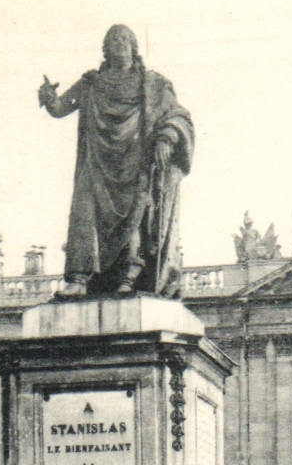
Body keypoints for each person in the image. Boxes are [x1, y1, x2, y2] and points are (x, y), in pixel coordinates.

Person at [39, 24, 194, 299]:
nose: (119, 43)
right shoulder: (91, 84)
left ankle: (129, 276)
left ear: (134, 47)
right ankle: (78, 277)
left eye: (124, 39)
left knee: (135, 217)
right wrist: (49, 98)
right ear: (105, 49)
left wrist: (167, 138)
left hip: (136, 162)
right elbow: (61, 107)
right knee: (83, 212)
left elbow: (178, 115)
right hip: (97, 162)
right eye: (113, 39)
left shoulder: (153, 84)